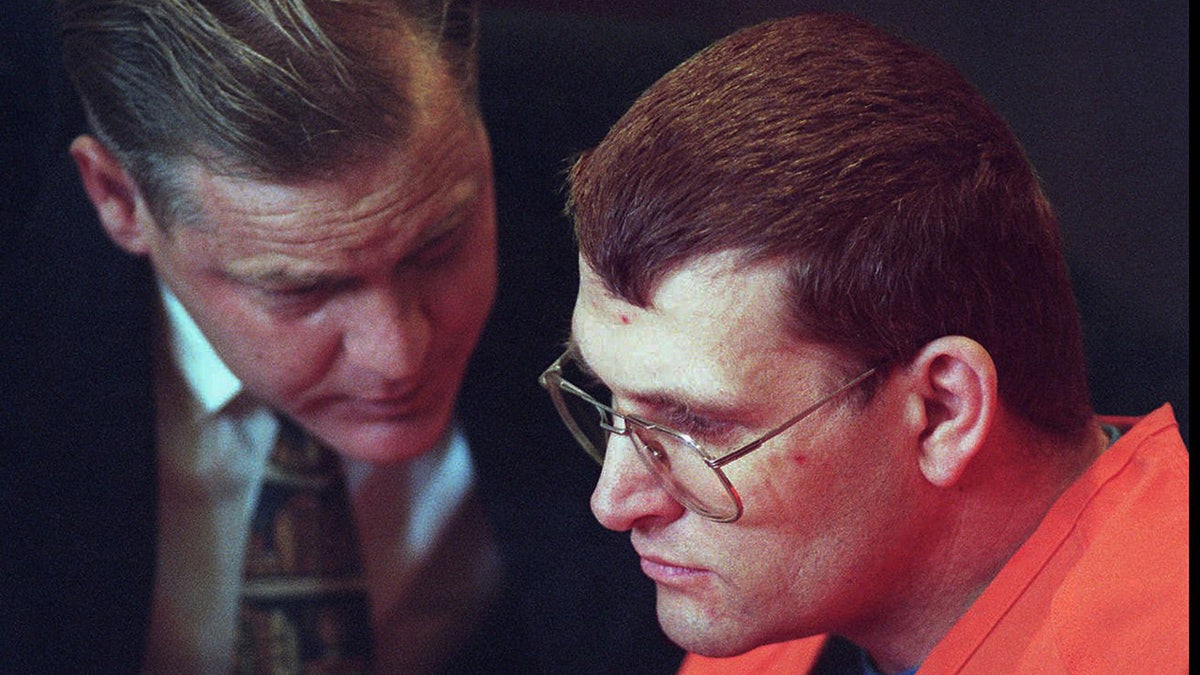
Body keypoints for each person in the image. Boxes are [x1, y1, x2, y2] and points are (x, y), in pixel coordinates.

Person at [0, 0, 690, 672]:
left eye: (438, 245)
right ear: (119, 200)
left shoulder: (628, 155)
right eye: (300, 289)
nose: (398, 354)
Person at [541, 13, 1188, 674]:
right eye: (605, 397)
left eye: (697, 425)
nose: (612, 502)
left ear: (942, 411)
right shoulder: (783, 608)